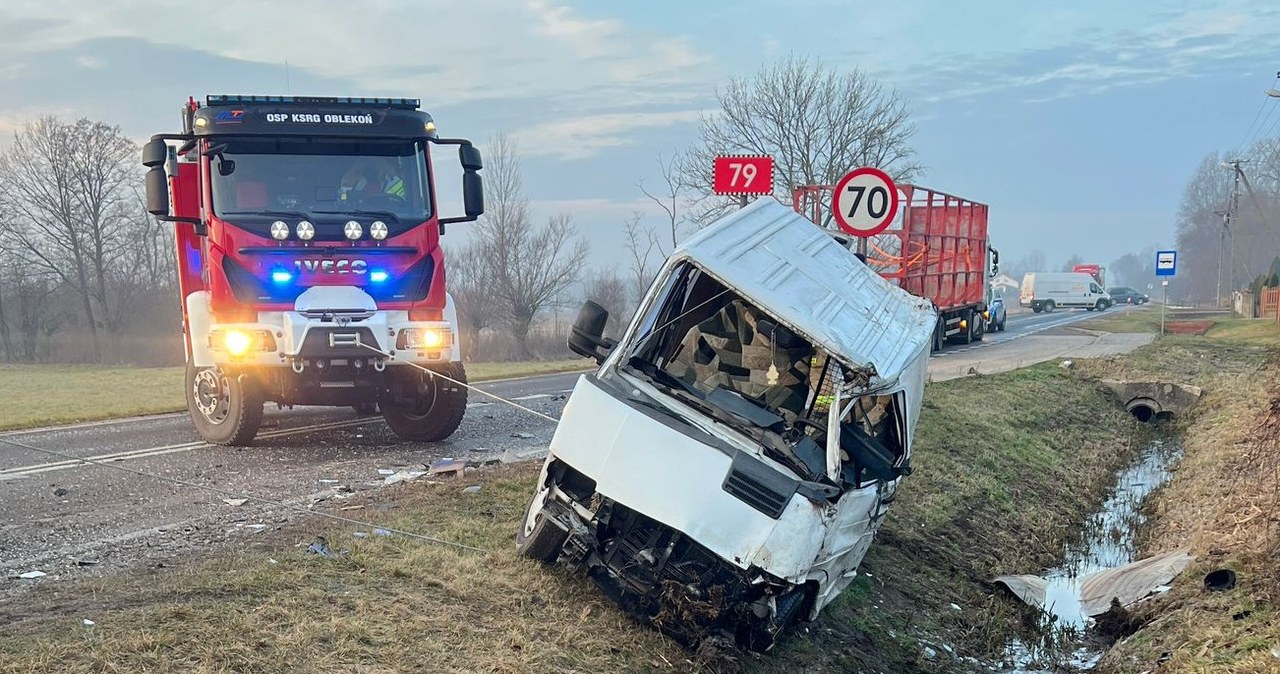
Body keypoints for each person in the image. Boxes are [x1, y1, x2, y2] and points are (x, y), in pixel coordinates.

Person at [340, 157, 405, 202]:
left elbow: (393, 174)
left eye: (376, 164)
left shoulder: (393, 188)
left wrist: (378, 159)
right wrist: (361, 161)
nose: (372, 167)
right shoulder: (348, 190)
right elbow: (346, 180)